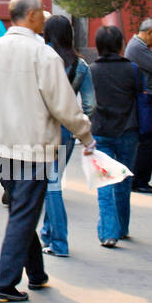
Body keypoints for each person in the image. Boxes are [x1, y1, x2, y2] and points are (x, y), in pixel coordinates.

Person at [0, 0, 95, 302]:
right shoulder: (45, 56)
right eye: (42, 13)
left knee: (21, 208)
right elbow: (64, 106)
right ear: (34, 15)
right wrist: (86, 136)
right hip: (34, 148)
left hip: (4, 147)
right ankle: (4, 282)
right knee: (23, 213)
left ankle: (36, 274)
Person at [39, 15, 94, 257]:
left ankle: (58, 241)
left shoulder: (41, 57)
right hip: (67, 130)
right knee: (55, 180)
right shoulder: (81, 65)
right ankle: (48, 235)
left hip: (42, 127)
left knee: (48, 184)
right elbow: (90, 105)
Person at [87, 25, 140, 248]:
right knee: (123, 181)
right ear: (120, 45)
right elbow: (139, 96)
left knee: (104, 183)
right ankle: (123, 227)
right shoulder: (133, 69)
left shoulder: (92, 70)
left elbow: (88, 103)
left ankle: (109, 232)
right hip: (127, 130)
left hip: (100, 131)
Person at [125, 18, 152, 193]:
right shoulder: (137, 47)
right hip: (146, 99)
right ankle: (139, 180)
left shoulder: (139, 46)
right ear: (150, 32)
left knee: (146, 139)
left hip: (147, 98)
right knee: (147, 139)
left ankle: (140, 179)